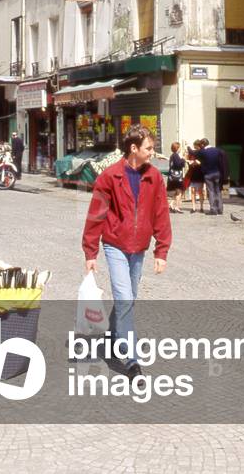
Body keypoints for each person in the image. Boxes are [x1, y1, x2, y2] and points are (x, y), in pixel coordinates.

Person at [82, 124, 171, 379]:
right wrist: (90, 252)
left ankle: (111, 336)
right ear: (134, 149)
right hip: (115, 245)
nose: (153, 152)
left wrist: (161, 251)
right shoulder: (110, 177)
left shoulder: (154, 177)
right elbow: (96, 215)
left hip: (139, 247)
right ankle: (131, 360)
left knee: (128, 298)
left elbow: (161, 215)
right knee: (124, 297)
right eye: (149, 148)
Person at [187, 139, 228, 216]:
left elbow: (193, 152)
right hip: (217, 173)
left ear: (202, 145)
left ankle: (213, 210)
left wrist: (188, 147)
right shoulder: (217, 150)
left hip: (208, 174)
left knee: (211, 191)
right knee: (218, 191)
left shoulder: (203, 152)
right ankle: (220, 209)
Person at [186, 140, 206, 213]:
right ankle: (194, 207)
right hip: (193, 174)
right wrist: (189, 163)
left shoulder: (201, 153)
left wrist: (195, 163)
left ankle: (201, 207)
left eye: (195, 146)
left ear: (198, 146)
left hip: (199, 174)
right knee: (193, 191)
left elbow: (201, 163)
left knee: (200, 192)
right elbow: (190, 160)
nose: (194, 147)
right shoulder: (193, 154)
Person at [166, 142, 185, 212]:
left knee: (176, 192)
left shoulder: (172, 156)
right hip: (177, 177)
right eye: (179, 147)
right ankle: (176, 207)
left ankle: (171, 204)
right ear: (177, 148)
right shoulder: (176, 156)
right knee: (179, 191)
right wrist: (183, 160)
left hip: (172, 176)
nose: (180, 149)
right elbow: (178, 165)